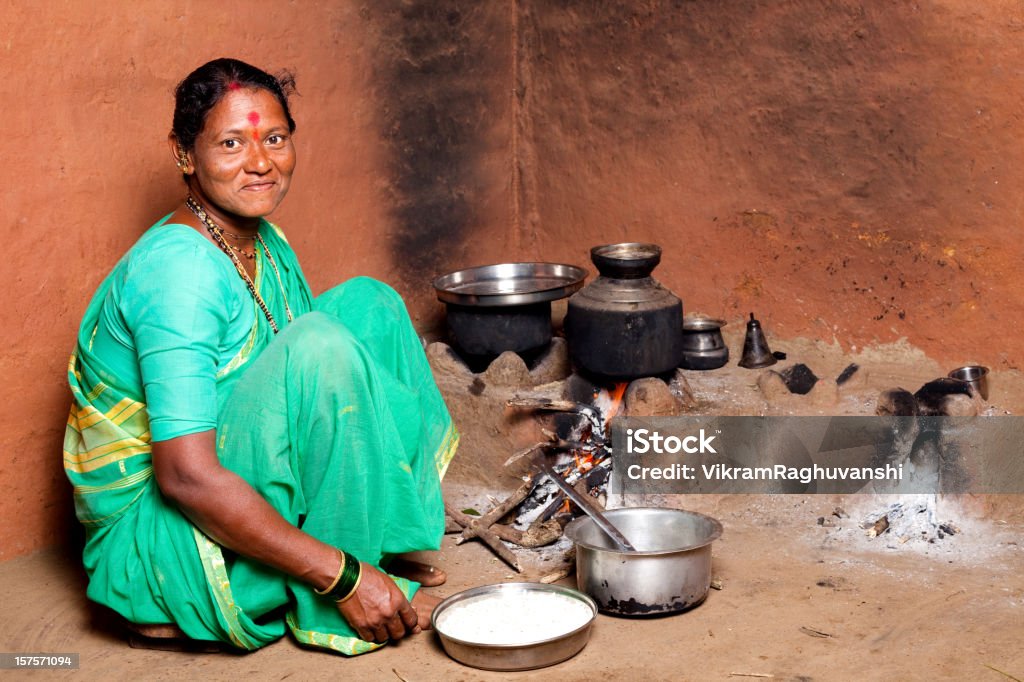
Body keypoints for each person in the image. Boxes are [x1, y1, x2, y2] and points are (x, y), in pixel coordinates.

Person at [62, 58, 459, 655]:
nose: (260, 163)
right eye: (230, 143)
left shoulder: (260, 239)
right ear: (183, 154)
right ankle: (338, 579)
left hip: (229, 458)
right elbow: (184, 475)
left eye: (275, 139)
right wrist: (342, 578)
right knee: (320, 345)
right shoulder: (180, 273)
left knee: (367, 305)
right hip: (164, 542)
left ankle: (370, 540)